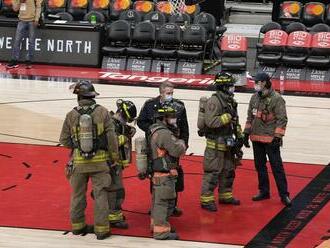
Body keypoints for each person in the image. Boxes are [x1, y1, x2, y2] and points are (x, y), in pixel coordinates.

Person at [59, 81, 119, 240]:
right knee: (101, 195)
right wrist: (114, 158)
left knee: (77, 195)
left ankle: (77, 227)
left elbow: (64, 140)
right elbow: (112, 139)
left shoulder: (71, 115)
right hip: (100, 164)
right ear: (93, 96)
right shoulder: (103, 112)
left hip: (78, 164)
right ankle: (102, 230)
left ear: (78, 97)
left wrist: (77, 146)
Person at [137, 82, 189, 216]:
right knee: (155, 173)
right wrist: (155, 130)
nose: (170, 95)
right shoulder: (150, 105)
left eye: (172, 92)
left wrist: (184, 144)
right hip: (155, 146)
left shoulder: (179, 106)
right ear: (161, 93)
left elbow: (184, 127)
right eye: (168, 93)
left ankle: (172, 205)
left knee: (174, 173)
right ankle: (156, 205)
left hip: (172, 145)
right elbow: (141, 122)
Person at [243, 72, 291, 207]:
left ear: (264, 82)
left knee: (277, 167)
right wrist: (246, 133)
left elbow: (282, 120)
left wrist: (278, 136)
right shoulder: (254, 98)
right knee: (260, 166)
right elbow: (250, 118)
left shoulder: (277, 99)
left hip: (271, 139)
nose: (254, 84)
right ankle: (264, 191)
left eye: (256, 82)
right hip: (256, 137)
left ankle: (284, 195)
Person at [200, 72, 243, 212]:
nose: (233, 88)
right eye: (231, 85)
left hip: (228, 143)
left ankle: (225, 195)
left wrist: (240, 135)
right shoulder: (214, 101)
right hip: (215, 145)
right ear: (224, 86)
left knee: (228, 170)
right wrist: (227, 117)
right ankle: (206, 200)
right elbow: (211, 122)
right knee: (213, 172)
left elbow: (235, 121)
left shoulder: (230, 101)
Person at [149, 103, 187, 240]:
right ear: (163, 117)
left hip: (159, 173)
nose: (174, 119)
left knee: (158, 201)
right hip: (164, 174)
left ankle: (156, 226)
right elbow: (177, 150)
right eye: (171, 116)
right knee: (163, 202)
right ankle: (161, 232)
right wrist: (182, 142)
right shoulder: (164, 133)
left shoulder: (155, 130)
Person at [107, 99, 137, 229]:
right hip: (111, 163)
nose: (127, 122)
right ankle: (113, 217)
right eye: (127, 119)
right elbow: (109, 143)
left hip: (116, 162)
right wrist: (124, 138)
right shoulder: (111, 124)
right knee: (116, 190)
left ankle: (114, 213)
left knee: (116, 189)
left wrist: (128, 130)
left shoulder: (117, 123)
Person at [6, 0, 42, 69]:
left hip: (32, 20)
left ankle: (29, 61)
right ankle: (14, 60)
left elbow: (38, 7)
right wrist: (20, 1)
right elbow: (15, 9)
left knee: (31, 42)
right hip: (21, 20)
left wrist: (37, 19)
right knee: (17, 41)